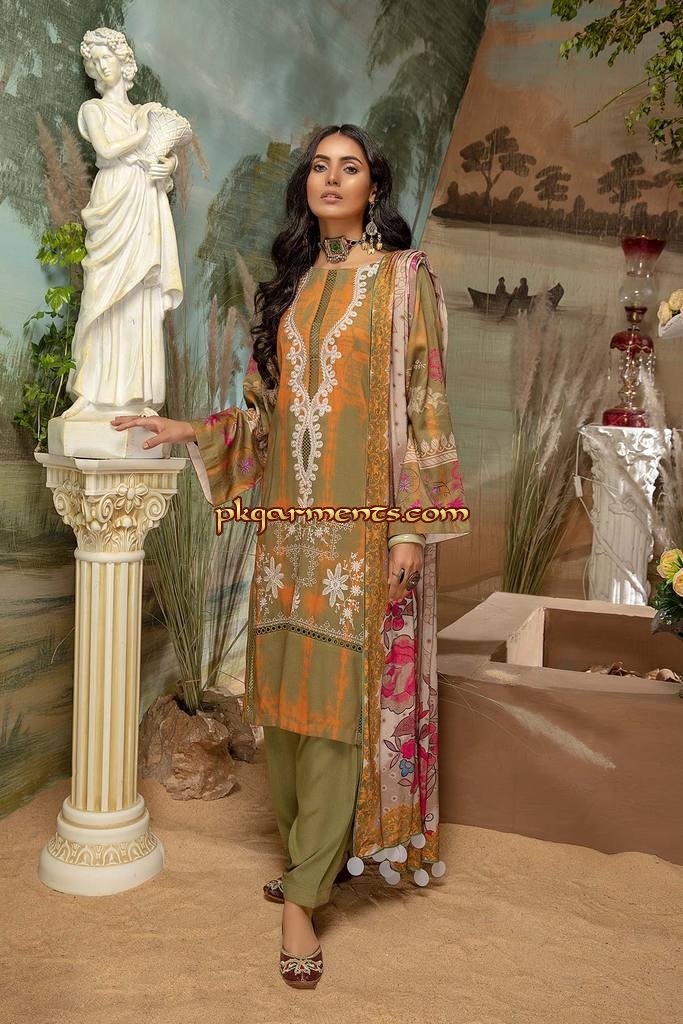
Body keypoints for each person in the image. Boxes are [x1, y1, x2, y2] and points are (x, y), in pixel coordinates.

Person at [112, 124, 469, 989]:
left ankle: (303, 897)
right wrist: (191, 429)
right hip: (287, 532)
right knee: (286, 707)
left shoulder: (403, 280)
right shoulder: (293, 287)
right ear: (306, 186)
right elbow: (265, 417)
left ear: (373, 187)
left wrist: (410, 529)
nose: (331, 178)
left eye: (350, 167)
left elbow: (424, 402)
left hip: (360, 531)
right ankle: (313, 852)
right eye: (319, 166)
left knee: (339, 713)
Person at [63, 27, 182, 420]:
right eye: (94, 61)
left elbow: (161, 158)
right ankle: (90, 392)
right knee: (101, 294)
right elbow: (106, 150)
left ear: (123, 62)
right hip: (113, 197)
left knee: (139, 297)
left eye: (107, 58)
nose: (101, 66)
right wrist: (143, 134)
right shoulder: (93, 110)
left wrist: (168, 165)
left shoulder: (142, 112)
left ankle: (138, 396)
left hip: (144, 199)